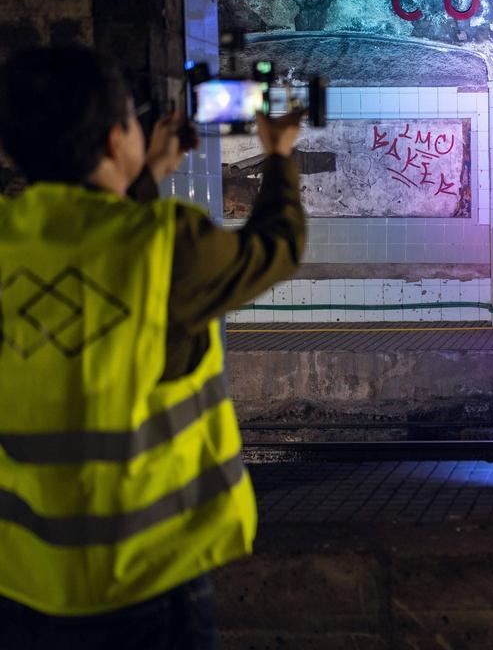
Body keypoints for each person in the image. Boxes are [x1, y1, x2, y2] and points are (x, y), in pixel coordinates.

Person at [0, 45, 305, 649]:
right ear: (118, 138)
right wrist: (279, 153)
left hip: (23, 582)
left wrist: (145, 177)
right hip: (149, 581)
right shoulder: (168, 248)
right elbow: (278, 245)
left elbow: (88, 245)